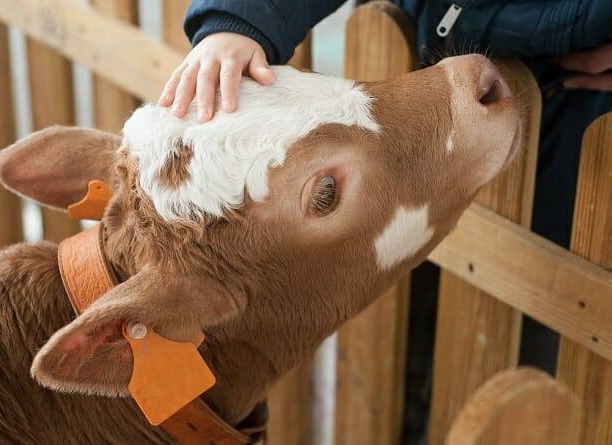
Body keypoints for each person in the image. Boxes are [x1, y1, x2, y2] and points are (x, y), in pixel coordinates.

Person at [159, 1, 612, 443]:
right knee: (404, 351)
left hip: (569, 191)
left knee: (529, 374)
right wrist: (237, 19)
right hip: (422, 146)